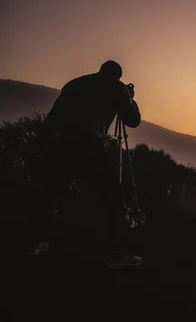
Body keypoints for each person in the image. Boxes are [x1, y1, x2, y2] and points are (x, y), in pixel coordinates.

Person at [25, 60, 143, 269]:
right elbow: (132, 120)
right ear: (117, 76)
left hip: (52, 140)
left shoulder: (74, 83)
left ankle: (31, 241)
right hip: (86, 143)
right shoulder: (116, 87)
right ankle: (116, 253)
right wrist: (129, 98)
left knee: (49, 190)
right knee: (112, 194)